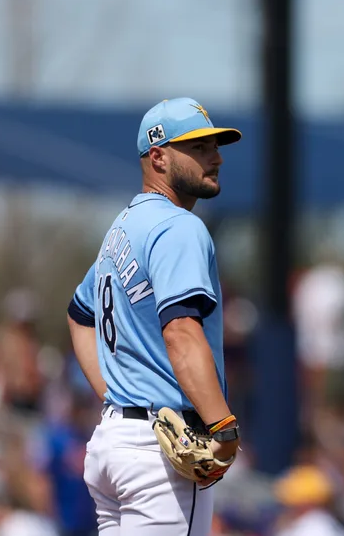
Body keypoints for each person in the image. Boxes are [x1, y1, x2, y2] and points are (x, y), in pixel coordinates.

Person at [66, 97, 243, 534]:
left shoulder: (123, 228)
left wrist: (116, 396)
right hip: (158, 456)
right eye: (199, 147)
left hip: (114, 443)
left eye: (215, 146)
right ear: (158, 156)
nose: (216, 157)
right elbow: (181, 331)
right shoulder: (178, 226)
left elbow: (78, 314)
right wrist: (222, 427)